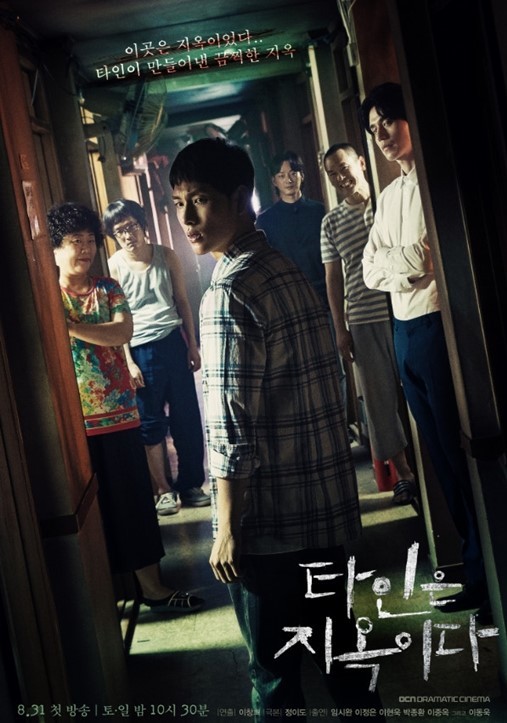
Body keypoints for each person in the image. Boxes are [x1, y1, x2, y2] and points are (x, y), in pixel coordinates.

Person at [168, 137, 384, 721]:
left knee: (273, 678)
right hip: (322, 512)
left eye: (201, 200)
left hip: (268, 527)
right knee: (344, 660)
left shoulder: (228, 291)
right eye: (180, 203)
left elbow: (230, 427)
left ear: (241, 199)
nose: (187, 218)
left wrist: (226, 527)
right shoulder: (283, 270)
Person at [360, 82, 487, 616]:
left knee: (462, 456)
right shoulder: (389, 194)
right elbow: (369, 270)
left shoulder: (437, 178)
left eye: (388, 121)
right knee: (437, 457)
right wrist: (405, 265)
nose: (382, 135)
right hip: (404, 330)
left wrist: (403, 263)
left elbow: (430, 255)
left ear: (410, 117)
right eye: (374, 129)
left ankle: (487, 574)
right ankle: (476, 571)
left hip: (437, 323)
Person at [48, 201, 203, 614]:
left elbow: (122, 331)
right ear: (55, 249)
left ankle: (153, 588)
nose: (85, 249)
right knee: (91, 515)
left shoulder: (107, 289)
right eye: (74, 241)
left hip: (119, 416)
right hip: (76, 424)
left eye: (89, 240)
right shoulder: (48, 298)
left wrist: (71, 328)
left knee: (135, 504)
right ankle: (105, 600)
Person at [321, 142, 416, 505]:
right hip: (362, 318)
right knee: (378, 402)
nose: (340, 178)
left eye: (344, 168)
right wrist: (340, 328)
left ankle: (429, 468)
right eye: (332, 174)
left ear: (361, 163)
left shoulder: (387, 202)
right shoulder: (330, 222)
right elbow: (333, 279)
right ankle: (404, 474)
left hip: (402, 307)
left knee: (416, 388)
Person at [103, 199, 209, 516]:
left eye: (131, 226)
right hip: (139, 348)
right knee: (150, 423)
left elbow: (182, 301)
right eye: (120, 231)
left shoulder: (166, 255)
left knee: (186, 417)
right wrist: (128, 362)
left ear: (142, 225)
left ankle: (191, 484)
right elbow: (116, 318)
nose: (127, 235)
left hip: (173, 342)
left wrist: (192, 345)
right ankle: (164, 490)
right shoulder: (114, 265)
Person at [256, 149, 347, 406]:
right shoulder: (266, 221)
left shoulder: (320, 211)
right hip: (290, 307)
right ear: (274, 181)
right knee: (302, 373)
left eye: (293, 173)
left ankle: (339, 422)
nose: (288, 179)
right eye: (281, 175)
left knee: (334, 368)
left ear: (302, 176)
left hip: (324, 301)